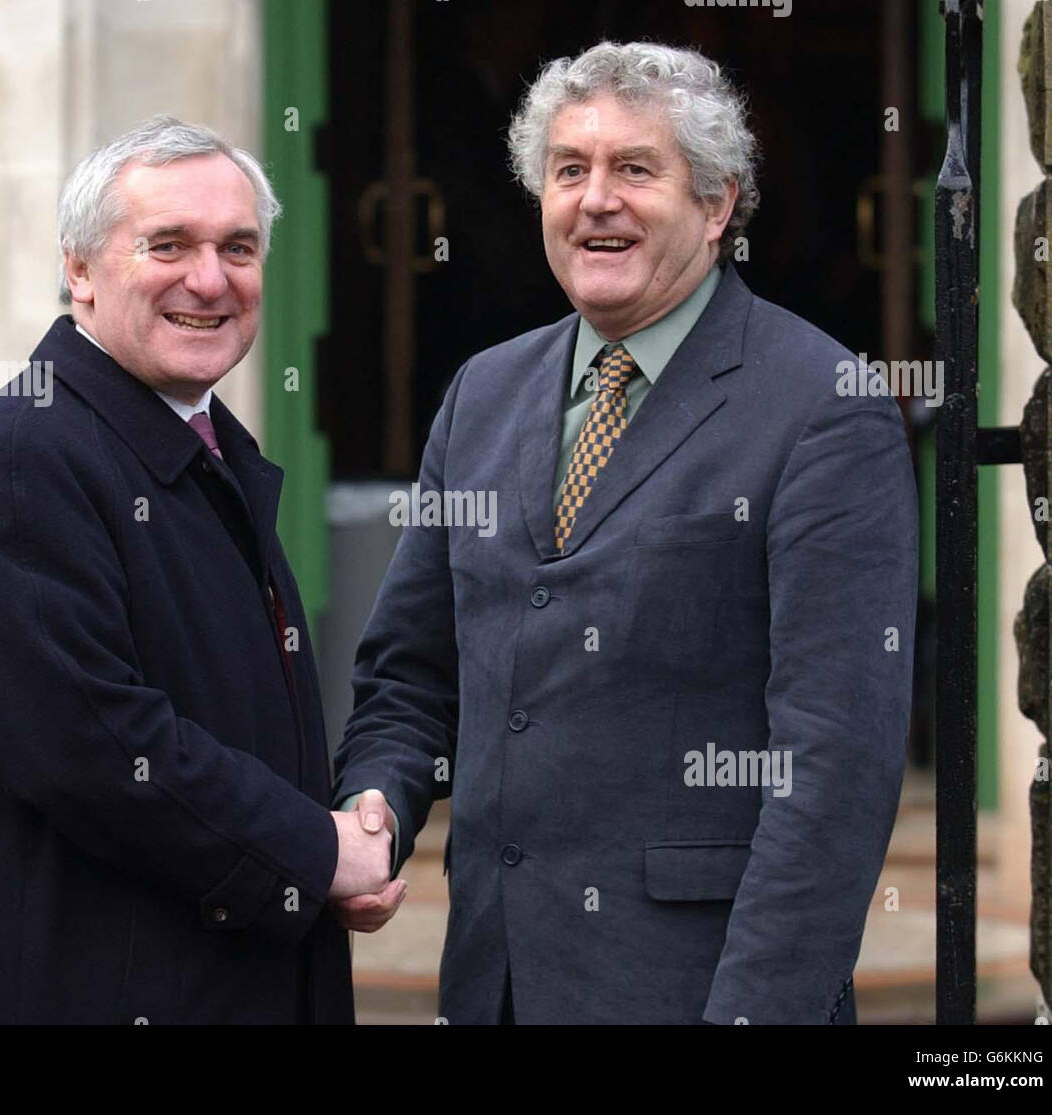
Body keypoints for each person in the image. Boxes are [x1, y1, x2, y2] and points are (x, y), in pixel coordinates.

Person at [333, 42, 918, 1024]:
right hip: (494, 985)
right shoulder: (483, 392)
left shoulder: (820, 407)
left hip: (693, 991)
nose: (594, 199)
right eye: (569, 169)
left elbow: (831, 770)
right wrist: (377, 809)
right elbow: (409, 673)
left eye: (635, 169)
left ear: (717, 204)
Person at [0, 116, 399, 1024]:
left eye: (237, 247)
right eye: (168, 244)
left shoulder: (199, 446)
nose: (209, 279)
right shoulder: (28, 453)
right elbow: (91, 745)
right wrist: (315, 852)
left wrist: (322, 853)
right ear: (79, 271)